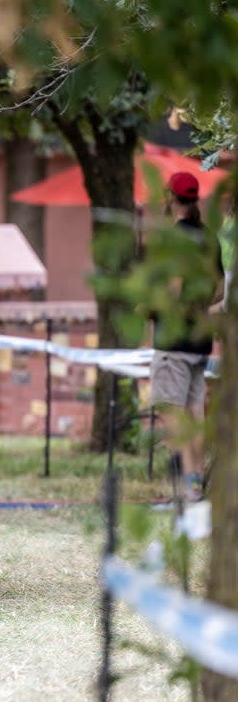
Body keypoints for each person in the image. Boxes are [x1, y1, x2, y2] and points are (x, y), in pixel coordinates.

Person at [149, 171, 222, 502]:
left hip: (173, 340)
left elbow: (174, 285)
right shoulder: (209, 238)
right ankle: (194, 486)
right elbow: (219, 288)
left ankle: (182, 489)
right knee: (194, 413)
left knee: (171, 413)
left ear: (170, 198)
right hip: (199, 339)